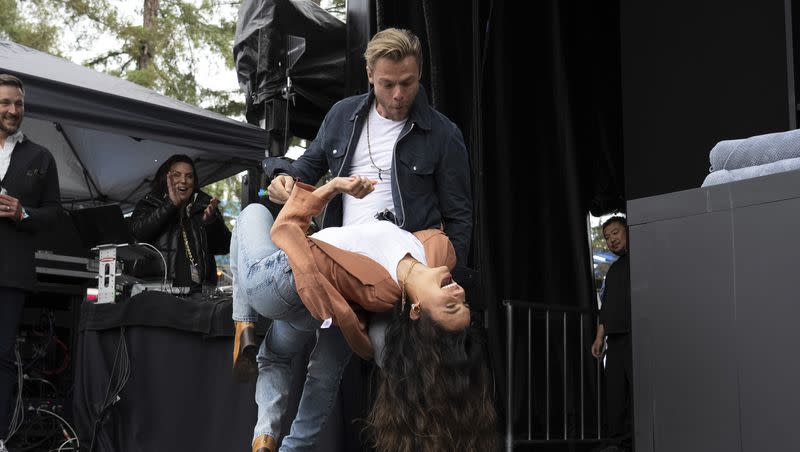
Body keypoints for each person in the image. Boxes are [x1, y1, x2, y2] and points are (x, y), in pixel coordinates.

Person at [231, 177, 495, 452]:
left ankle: (243, 322)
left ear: (416, 311)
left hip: (278, 280)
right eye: (464, 304)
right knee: (297, 361)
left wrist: (329, 189)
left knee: (252, 213)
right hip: (310, 293)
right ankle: (271, 443)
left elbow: (290, 235)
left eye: (451, 306)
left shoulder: (377, 290)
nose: (459, 294)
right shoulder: (440, 253)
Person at [264, 27, 472, 267]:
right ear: (370, 74)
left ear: (420, 73)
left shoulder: (444, 134)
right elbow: (309, 165)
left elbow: (459, 217)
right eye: (388, 84)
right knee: (251, 219)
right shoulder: (342, 115)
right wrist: (284, 176)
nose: (398, 94)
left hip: (405, 262)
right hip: (342, 254)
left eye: (407, 83)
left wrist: (447, 279)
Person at [0, 74, 61, 452]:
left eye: (19, 104)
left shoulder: (40, 157)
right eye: (6, 102)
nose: (13, 110)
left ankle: (0, 436)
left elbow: (55, 215)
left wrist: (24, 214)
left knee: (3, 356)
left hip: (10, 273)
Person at [129, 154, 231, 290]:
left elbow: (224, 247)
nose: (184, 180)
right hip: (158, 291)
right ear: (166, 178)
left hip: (199, 294)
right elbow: (138, 233)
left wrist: (211, 223)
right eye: (177, 175)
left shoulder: (204, 206)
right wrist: (170, 205)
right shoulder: (150, 203)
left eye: (189, 176)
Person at [591, 216, 632, 452]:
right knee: (615, 392)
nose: (611, 240)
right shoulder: (614, 270)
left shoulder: (639, 261)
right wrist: (599, 337)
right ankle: (617, 443)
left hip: (634, 335)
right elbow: (606, 307)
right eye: (607, 237)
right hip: (614, 339)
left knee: (634, 390)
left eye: (615, 233)